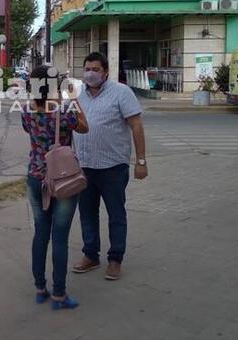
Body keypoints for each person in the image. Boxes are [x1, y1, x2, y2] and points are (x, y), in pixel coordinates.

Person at [72, 52, 148, 281]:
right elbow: (71, 125)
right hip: (84, 167)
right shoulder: (77, 95)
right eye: (87, 69)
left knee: (116, 214)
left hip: (113, 167)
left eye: (95, 69)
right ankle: (91, 255)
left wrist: (141, 161)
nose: (90, 73)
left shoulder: (121, 92)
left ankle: (115, 259)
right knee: (87, 214)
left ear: (105, 72)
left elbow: (136, 125)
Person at [21, 66, 89, 310]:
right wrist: (72, 98)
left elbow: (30, 132)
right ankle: (59, 295)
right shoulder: (65, 110)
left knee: (41, 233)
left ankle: (40, 288)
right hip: (63, 180)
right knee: (59, 237)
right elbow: (84, 127)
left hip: (36, 177)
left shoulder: (26, 110)